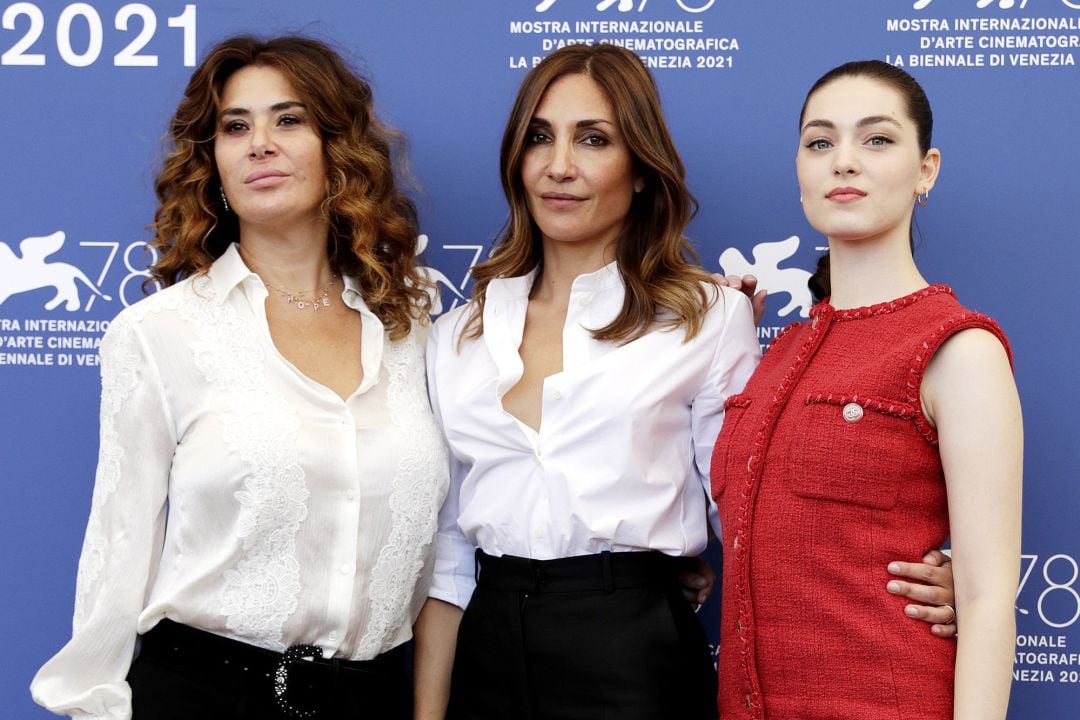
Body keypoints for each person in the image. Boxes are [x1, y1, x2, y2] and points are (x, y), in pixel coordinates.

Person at [413, 44, 959, 720]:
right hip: (486, 647)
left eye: (594, 139)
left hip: (633, 650)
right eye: (539, 138)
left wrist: (937, 580)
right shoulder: (454, 336)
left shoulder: (709, 318)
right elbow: (448, 554)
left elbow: (753, 510)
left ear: (640, 168)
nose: (560, 166)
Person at [30, 35, 448, 720]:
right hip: (203, 693)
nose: (259, 143)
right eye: (234, 126)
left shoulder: (413, 321)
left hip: (370, 696)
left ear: (337, 147)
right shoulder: (160, 334)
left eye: (289, 120)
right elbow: (119, 548)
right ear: (213, 160)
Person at [710, 60, 1022, 719]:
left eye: (876, 140)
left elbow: (989, 597)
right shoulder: (775, 354)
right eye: (820, 142)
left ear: (926, 169)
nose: (843, 161)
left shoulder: (959, 347)